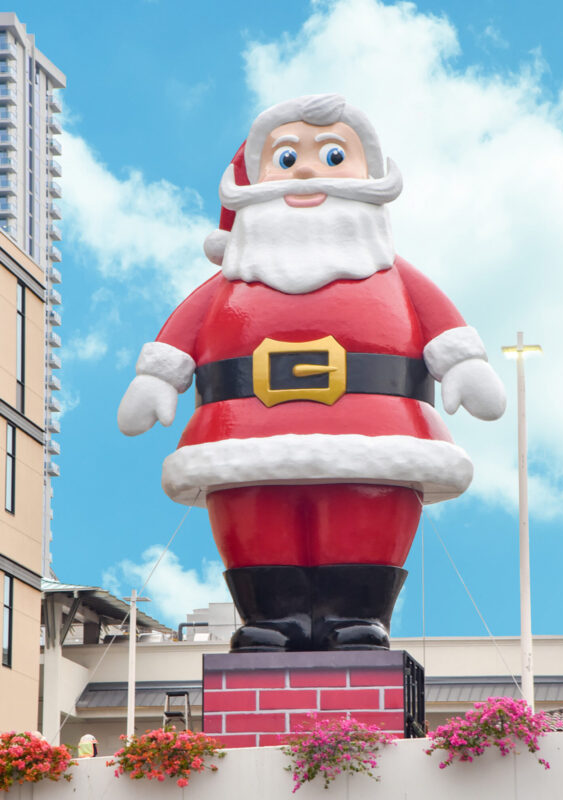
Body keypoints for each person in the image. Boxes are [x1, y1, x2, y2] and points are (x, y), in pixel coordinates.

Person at [118, 94, 505, 652]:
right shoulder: (229, 283)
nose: (304, 171)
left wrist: (462, 363)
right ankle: (272, 618)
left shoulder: (394, 276)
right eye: (285, 158)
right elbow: (180, 337)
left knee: (362, 515)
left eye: (331, 156)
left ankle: (358, 616)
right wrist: (157, 378)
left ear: (369, 175)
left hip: (374, 431)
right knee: (258, 523)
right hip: (242, 437)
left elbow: (439, 322)